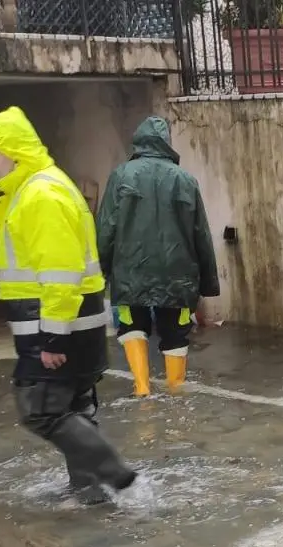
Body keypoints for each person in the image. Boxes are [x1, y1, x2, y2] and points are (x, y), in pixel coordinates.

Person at [0, 106, 138, 506]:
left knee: (42, 411)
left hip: (57, 325)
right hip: (68, 323)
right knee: (74, 408)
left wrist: (52, 337)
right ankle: (89, 492)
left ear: (14, 151)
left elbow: (60, 273)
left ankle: (114, 474)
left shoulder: (40, 195)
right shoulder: (37, 189)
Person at [96, 116, 220, 397]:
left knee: (131, 325)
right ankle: (176, 392)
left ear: (139, 142)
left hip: (130, 272)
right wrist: (207, 283)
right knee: (175, 333)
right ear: (166, 143)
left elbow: (106, 227)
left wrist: (99, 271)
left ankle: (142, 389)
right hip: (177, 272)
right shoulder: (186, 180)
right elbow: (200, 233)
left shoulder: (121, 176)